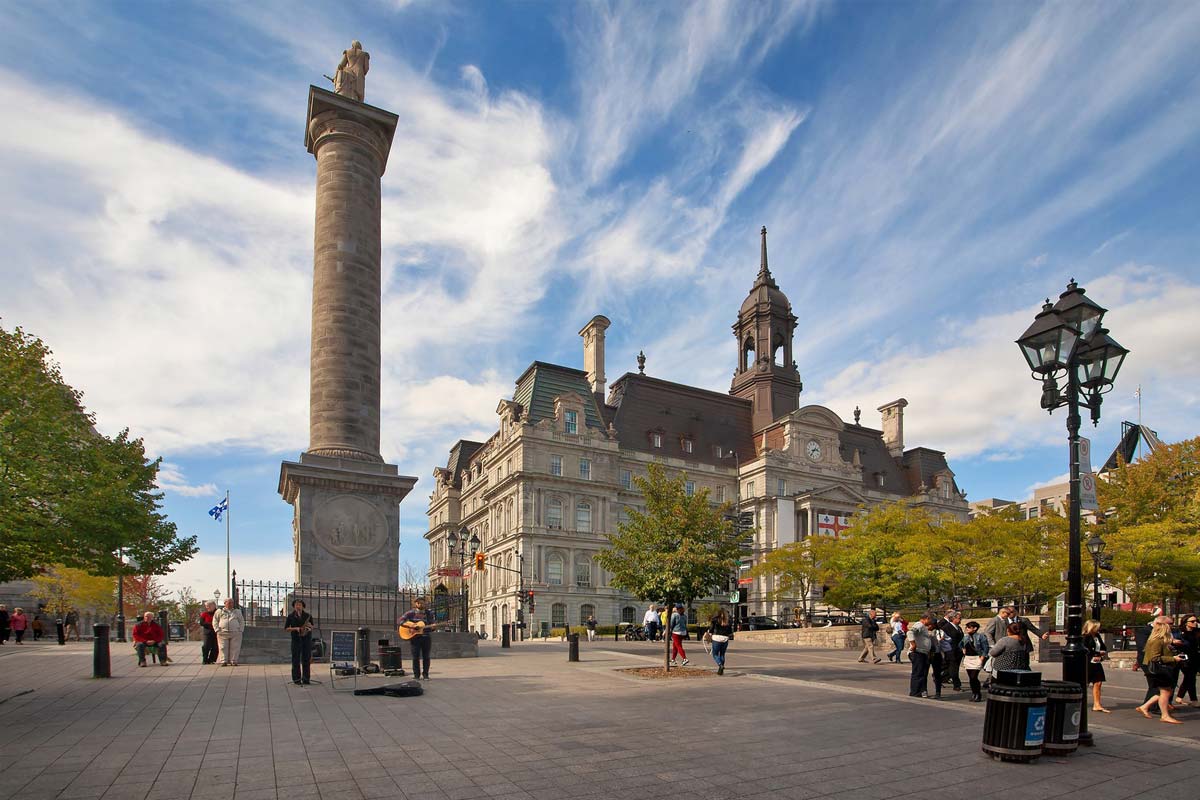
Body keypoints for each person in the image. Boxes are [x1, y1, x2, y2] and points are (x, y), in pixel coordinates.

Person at [1137, 620, 1184, 724]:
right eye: (1168, 628)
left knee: (1165, 691)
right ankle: (1165, 715)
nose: (1170, 630)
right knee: (1165, 692)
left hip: (1161, 668)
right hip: (1159, 669)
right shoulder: (1157, 640)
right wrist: (1173, 659)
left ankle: (1144, 706)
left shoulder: (1160, 640)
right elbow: (1154, 658)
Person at [399, 597, 435, 680]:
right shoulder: (410, 613)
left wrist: (433, 627)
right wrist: (412, 625)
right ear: (416, 604)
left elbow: (432, 624)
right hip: (414, 637)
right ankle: (416, 675)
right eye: (419, 603)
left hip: (426, 637)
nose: (421, 604)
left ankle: (425, 675)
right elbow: (401, 621)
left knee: (426, 657)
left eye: (422, 603)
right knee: (415, 657)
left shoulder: (429, 613)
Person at [1082, 619, 1110, 713]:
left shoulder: (1097, 636)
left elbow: (1103, 647)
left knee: (1098, 682)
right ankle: (1080, 702)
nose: (1099, 628)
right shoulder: (1086, 637)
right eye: (1097, 627)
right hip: (1088, 662)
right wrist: (1096, 653)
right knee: (1085, 683)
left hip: (1097, 662)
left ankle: (1097, 704)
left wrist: (1101, 653)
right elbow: (1085, 649)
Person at [284, 599, 314, 686]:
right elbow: (286, 628)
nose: (298, 607)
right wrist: (295, 628)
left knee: (306, 659)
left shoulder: (308, 616)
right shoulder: (291, 616)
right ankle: (296, 679)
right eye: (296, 605)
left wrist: (309, 627)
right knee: (295, 659)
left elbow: (312, 627)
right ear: (294, 606)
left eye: (300, 605)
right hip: (296, 639)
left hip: (306, 639)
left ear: (303, 606)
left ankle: (306, 678)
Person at [906, 612, 936, 698]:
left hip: (922, 652)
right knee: (918, 673)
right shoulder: (919, 625)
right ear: (926, 618)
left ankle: (918, 691)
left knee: (921, 673)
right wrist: (913, 644)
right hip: (917, 652)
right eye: (930, 620)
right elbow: (910, 633)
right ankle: (915, 692)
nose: (930, 622)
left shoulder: (923, 627)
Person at [961, 621, 990, 702]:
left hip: (977, 658)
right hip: (968, 658)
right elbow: (960, 644)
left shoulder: (980, 636)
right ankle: (974, 693)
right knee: (971, 678)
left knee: (974, 677)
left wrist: (982, 657)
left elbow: (986, 647)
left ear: (975, 628)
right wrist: (963, 649)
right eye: (966, 627)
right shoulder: (966, 637)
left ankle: (978, 694)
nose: (967, 629)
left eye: (969, 627)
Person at [1174, 614, 1199, 707]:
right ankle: (1194, 700)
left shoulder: (1197, 632)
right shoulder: (1179, 632)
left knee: (1190, 678)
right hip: (1184, 658)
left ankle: (1180, 697)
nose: (1195, 623)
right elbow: (1174, 642)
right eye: (1192, 621)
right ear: (1185, 623)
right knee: (1190, 677)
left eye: (1196, 621)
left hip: (1195, 657)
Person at [213, 598, 245, 666]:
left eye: (232, 603)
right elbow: (215, 620)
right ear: (225, 603)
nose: (231, 604)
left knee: (235, 647)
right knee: (223, 647)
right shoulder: (219, 611)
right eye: (229, 603)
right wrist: (217, 630)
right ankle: (223, 661)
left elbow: (241, 621)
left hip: (235, 632)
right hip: (222, 632)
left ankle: (233, 661)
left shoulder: (237, 611)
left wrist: (240, 630)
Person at [938, 610, 964, 691]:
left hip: (958, 651)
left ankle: (939, 677)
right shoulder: (946, 627)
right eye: (959, 618)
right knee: (953, 668)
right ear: (953, 618)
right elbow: (943, 638)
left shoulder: (958, 628)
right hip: (950, 650)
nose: (960, 620)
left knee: (951, 668)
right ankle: (957, 685)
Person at [705, 609, 734, 675]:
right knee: (722, 654)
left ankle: (720, 665)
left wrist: (708, 633)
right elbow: (730, 632)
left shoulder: (715, 620)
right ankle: (721, 671)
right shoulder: (728, 621)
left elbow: (711, 629)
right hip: (725, 638)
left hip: (716, 638)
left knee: (715, 654)